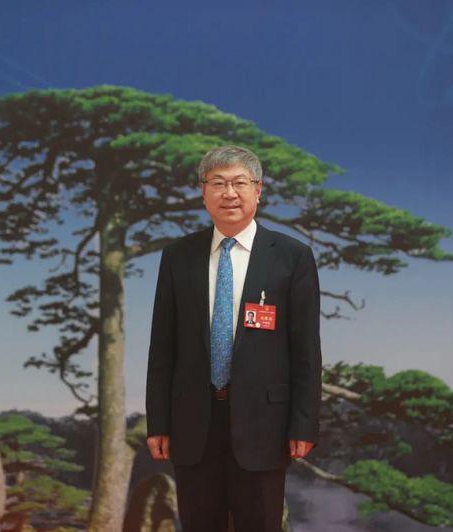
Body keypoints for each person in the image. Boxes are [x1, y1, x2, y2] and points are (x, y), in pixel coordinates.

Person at [145, 145, 321, 532]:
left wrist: (304, 424)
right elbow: (162, 348)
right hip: (193, 423)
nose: (230, 193)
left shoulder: (292, 257)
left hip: (265, 424)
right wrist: (158, 421)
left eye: (240, 183)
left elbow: (306, 351)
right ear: (202, 192)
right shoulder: (178, 256)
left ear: (258, 190)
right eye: (218, 183)